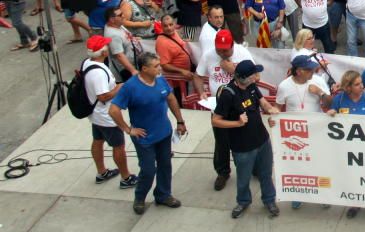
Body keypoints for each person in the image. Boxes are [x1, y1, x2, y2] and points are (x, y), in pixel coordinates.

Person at [108, 52, 186, 214]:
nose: (160, 68)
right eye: (156, 66)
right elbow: (114, 110)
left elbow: (171, 98)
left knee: (165, 165)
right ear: (144, 69)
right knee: (148, 170)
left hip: (164, 133)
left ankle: (163, 195)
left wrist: (180, 121)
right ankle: (140, 198)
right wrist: (129, 130)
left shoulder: (160, 80)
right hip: (145, 138)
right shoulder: (130, 87)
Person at [213, 60, 281, 219]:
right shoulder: (227, 94)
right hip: (242, 146)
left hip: (262, 140)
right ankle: (243, 201)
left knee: (266, 174)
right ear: (245, 77)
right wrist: (237, 123)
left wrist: (271, 109)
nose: (258, 76)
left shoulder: (251, 86)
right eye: (254, 74)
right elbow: (216, 120)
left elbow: (262, 102)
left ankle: (269, 200)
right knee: (243, 177)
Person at [197, 29, 254, 190]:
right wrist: (201, 91)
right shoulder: (209, 55)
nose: (222, 53)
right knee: (221, 141)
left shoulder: (242, 53)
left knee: (246, 138)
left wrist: (233, 70)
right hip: (219, 106)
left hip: (241, 106)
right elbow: (198, 75)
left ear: (232, 46)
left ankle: (253, 168)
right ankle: (223, 172)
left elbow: (255, 78)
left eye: (225, 50)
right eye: (219, 49)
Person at [82, 35, 137, 188]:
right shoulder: (98, 73)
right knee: (118, 146)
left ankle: (101, 172)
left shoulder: (87, 63)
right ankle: (126, 178)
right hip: (106, 116)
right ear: (103, 52)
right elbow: (103, 96)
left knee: (98, 141)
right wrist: (118, 88)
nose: (108, 48)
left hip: (95, 115)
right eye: (105, 46)